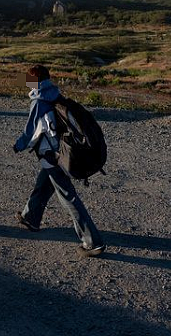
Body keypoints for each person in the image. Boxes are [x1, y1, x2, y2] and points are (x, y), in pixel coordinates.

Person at [13, 65, 105, 257]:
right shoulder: (54, 93)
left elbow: (30, 132)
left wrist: (18, 145)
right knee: (43, 184)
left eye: (28, 79)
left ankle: (92, 241)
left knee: (68, 198)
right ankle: (31, 218)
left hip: (53, 156)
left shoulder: (39, 101)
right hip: (61, 153)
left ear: (34, 81)